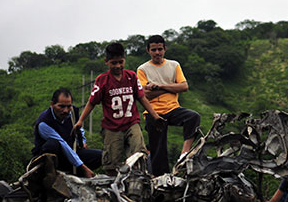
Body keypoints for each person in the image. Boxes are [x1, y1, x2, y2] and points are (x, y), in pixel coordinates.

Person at [73, 42, 165, 176]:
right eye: (113, 63)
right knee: (111, 163)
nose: (117, 66)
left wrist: (155, 116)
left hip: (131, 122)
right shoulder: (102, 80)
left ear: (124, 60)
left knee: (139, 154)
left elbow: (142, 98)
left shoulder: (131, 76)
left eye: (120, 62)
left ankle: (138, 183)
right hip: (112, 127)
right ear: (107, 62)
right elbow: (92, 102)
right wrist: (80, 121)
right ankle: (114, 189)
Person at [137, 35, 201, 176]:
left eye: (160, 49)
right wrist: (171, 87)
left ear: (165, 49)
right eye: (154, 50)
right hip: (153, 112)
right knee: (159, 150)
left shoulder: (174, 65)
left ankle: (184, 154)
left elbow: (184, 86)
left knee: (193, 117)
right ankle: (161, 179)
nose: (157, 53)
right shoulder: (143, 69)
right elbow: (144, 95)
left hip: (173, 108)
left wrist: (158, 86)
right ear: (148, 50)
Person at [32, 88, 102, 178]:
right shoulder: (44, 122)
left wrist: (82, 140)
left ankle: (78, 174)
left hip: (71, 154)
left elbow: (79, 128)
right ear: (52, 104)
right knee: (53, 144)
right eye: (61, 106)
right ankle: (50, 175)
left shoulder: (73, 112)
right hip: (55, 158)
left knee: (101, 155)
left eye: (68, 106)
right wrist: (83, 166)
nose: (65, 110)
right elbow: (62, 143)